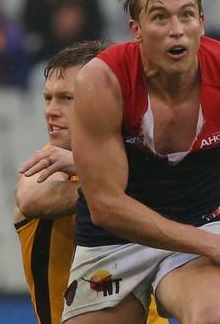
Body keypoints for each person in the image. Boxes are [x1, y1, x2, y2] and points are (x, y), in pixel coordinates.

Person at [28, 0, 220, 323]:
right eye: (160, 18)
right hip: (112, 240)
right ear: (135, 30)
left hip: (198, 226)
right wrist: (216, 245)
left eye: (187, 16)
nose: (177, 30)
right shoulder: (103, 82)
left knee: (215, 318)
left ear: (202, 23)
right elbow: (107, 207)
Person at [14, 41, 167, 324]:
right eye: (48, 98)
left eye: (67, 98)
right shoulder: (47, 163)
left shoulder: (143, 158)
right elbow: (32, 199)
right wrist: (114, 185)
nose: (51, 110)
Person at [22, 0, 104, 66]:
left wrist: (79, 22)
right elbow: (30, 21)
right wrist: (54, 24)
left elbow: (96, 21)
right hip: (46, 53)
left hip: (83, 53)